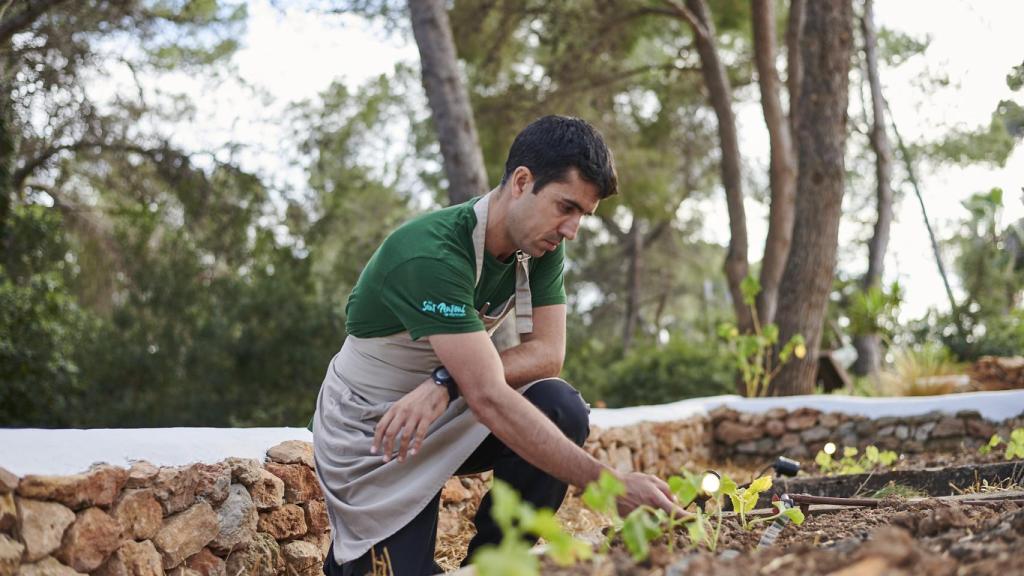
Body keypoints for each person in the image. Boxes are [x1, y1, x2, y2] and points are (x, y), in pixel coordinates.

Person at [312, 115, 682, 576]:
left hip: (448, 407)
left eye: (582, 215)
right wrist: (612, 486)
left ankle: (494, 563)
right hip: (375, 430)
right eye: (565, 206)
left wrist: (444, 384)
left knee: (560, 406)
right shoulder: (431, 253)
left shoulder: (541, 246)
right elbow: (487, 395)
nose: (571, 229)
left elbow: (548, 354)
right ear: (522, 182)